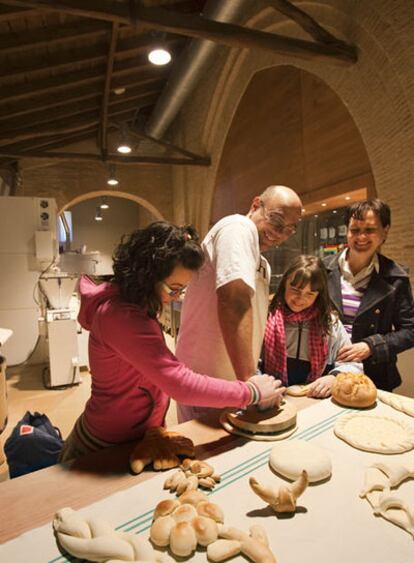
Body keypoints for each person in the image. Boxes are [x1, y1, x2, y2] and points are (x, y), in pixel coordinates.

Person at [59, 222, 283, 462]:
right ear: (147, 275)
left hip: (138, 434)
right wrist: (249, 392)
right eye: (174, 288)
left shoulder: (138, 303)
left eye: (182, 290)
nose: (175, 297)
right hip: (105, 444)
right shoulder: (121, 317)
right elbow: (178, 384)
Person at [176, 185, 302, 422]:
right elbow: (233, 301)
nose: (280, 233)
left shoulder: (263, 263)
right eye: (276, 220)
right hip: (206, 381)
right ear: (255, 205)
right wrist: (251, 384)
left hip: (233, 387)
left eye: (290, 229)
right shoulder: (237, 227)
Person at [324, 199, 414, 391]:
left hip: (374, 375)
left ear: (385, 231)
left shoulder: (397, 277)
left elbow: (410, 330)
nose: (361, 237)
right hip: (324, 371)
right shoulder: (321, 270)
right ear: (346, 230)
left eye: (370, 230)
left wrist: (371, 346)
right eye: (355, 230)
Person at [262, 255, 363, 398]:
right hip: (272, 398)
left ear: (319, 295)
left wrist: (334, 377)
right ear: (284, 284)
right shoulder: (266, 316)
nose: (300, 298)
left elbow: (355, 366)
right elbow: (251, 363)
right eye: (295, 289)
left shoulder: (330, 323)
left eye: (310, 293)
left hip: (317, 399)